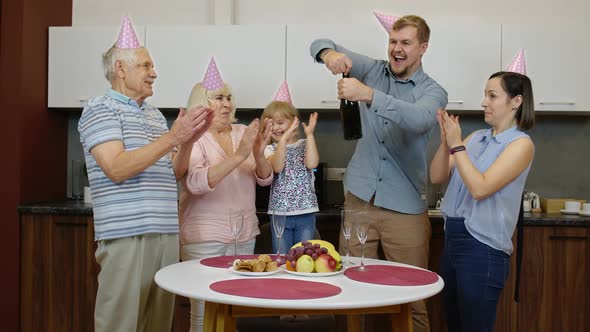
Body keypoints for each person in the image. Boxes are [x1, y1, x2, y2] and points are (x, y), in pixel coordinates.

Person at [310, 14, 447, 332]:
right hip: (359, 200)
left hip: (406, 208)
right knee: (349, 294)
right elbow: (319, 44)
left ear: (422, 48)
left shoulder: (434, 91)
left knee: (413, 298)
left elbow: (417, 119)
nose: (397, 49)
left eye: (406, 43)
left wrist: (368, 95)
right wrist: (330, 55)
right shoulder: (372, 69)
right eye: (393, 42)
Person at [78, 16, 214, 332]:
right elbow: (116, 167)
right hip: (128, 234)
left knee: (158, 325)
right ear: (120, 69)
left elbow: (174, 172)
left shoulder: (152, 115)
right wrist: (173, 138)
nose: (154, 73)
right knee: (120, 325)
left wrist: (188, 141)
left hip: (165, 232)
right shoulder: (100, 108)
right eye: (146, 65)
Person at [430, 71, 535, 332]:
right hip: (453, 242)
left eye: (492, 95)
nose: (483, 102)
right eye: (484, 94)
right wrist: (445, 144)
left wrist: (457, 146)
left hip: (483, 249)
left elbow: (480, 188)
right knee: (453, 325)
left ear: (516, 101)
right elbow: (437, 175)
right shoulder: (476, 138)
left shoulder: (521, 145)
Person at [178, 58, 273, 332]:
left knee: (234, 309)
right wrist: (240, 155)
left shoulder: (243, 132)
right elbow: (194, 183)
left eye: (229, 98)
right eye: (218, 98)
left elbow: (265, 178)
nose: (226, 103)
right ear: (201, 103)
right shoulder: (193, 136)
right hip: (204, 237)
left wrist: (256, 153)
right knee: (204, 314)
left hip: (244, 235)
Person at [260, 81, 320, 255]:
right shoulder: (269, 149)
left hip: (306, 211)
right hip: (279, 214)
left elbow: (312, 163)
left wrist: (309, 135)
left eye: (280, 123)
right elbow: (277, 167)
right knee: (281, 258)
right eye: (272, 124)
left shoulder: (304, 144)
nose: (277, 128)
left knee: (304, 259)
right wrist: (284, 140)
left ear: (294, 122)